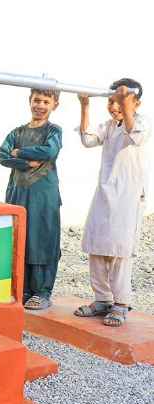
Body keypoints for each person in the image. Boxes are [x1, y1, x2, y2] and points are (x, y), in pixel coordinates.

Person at [75, 79, 151, 326]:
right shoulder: (108, 126)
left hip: (127, 196)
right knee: (96, 247)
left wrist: (125, 100)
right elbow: (87, 140)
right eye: (111, 102)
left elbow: (133, 133)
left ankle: (120, 304)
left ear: (136, 104)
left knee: (119, 251)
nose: (115, 106)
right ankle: (102, 299)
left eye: (120, 102)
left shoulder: (141, 123)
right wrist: (85, 105)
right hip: (104, 194)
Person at [0, 89, 63, 311]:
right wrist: (26, 162)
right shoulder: (16, 132)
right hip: (18, 192)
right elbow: (3, 155)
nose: (40, 105)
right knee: (20, 237)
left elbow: (49, 152)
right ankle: (22, 289)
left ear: (54, 105)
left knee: (42, 238)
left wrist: (19, 153)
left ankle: (42, 291)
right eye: (37, 100)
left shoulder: (54, 131)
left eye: (46, 101)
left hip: (44, 195)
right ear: (30, 101)